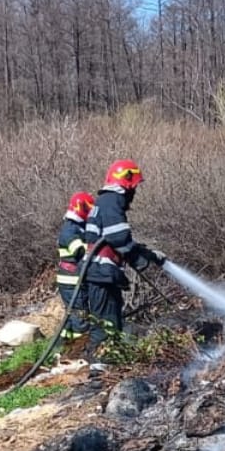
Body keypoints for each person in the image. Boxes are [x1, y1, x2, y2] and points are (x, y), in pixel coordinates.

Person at [83, 159, 166, 371]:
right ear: (126, 183)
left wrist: (147, 253)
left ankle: (111, 365)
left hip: (103, 273)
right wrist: (138, 260)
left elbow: (115, 237)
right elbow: (117, 236)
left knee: (111, 319)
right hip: (102, 273)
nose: (135, 192)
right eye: (135, 186)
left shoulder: (105, 201)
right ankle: (100, 373)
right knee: (106, 322)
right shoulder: (112, 201)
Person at [55, 191, 95, 347]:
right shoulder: (70, 230)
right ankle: (80, 347)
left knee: (72, 314)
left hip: (74, 279)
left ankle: (62, 347)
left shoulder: (77, 228)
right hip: (71, 280)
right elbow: (79, 250)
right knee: (80, 315)